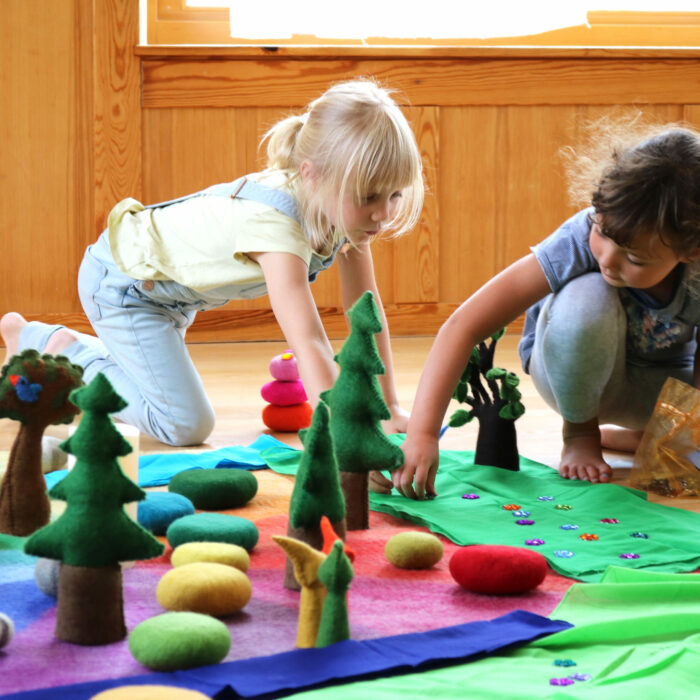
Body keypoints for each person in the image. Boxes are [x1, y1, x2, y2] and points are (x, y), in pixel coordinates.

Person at [1, 79, 424, 447]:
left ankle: (47, 342)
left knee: (167, 399)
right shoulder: (275, 226)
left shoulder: (339, 210)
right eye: (369, 197)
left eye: (395, 196)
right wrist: (345, 437)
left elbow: (365, 315)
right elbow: (309, 340)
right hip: (125, 286)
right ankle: (61, 353)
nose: (383, 214)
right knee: (184, 423)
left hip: (170, 299)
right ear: (312, 175)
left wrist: (389, 408)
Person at [392, 120, 700, 499]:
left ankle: (645, 437)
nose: (608, 259)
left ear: (691, 251)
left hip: (663, 386)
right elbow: (464, 325)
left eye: (634, 257)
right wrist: (423, 434)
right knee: (588, 296)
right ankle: (581, 432)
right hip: (575, 376)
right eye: (601, 232)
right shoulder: (579, 236)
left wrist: (682, 441)